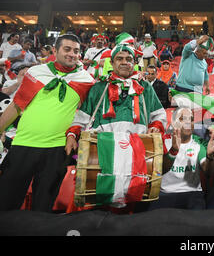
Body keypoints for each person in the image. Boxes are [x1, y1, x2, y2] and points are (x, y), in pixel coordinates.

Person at [0, 34, 95, 212]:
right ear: (55, 50)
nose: (72, 54)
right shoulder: (36, 72)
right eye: (67, 49)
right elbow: (16, 106)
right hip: (23, 145)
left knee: (42, 209)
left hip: (57, 151)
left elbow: (86, 114)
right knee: (5, 204)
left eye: (76, 51)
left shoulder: (87, 81)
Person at [65, 39, 167, 146]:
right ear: (111, 63)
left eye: (129, 59)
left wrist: (155, 127)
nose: (124, 62)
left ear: (134, 63)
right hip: (102, 149)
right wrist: (72, 134)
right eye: (119, 58)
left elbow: (159, 115)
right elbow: (82, 117)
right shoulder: (99, 88)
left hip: (137, 148)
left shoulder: (145, 87)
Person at [144, 107, 214, 210]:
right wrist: (173, 151)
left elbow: (208, 172)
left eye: (191, 119)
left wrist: (210, 156)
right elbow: (161, 170)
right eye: (183, 119)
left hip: (193, 194)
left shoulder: (199, 143)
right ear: (174, 123)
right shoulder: (162, 141)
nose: (188, 122)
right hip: (166, 194)